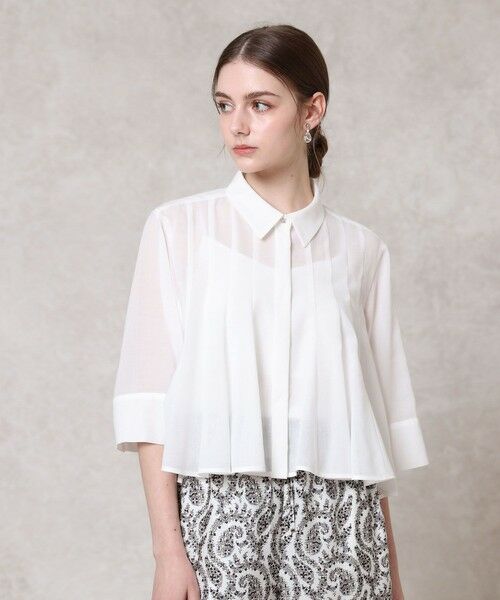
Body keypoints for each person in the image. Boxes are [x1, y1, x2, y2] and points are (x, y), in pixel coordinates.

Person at [112, 24, 429, 600]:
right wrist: (167, 554)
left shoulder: (362, 251)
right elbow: (152, 408)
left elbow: (370, 433)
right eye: (224, 105)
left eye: (260, 105)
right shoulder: (178, 230)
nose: (237, 125)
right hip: (222, 522)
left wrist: (393, 577)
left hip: (343, 527)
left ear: (312, 111)